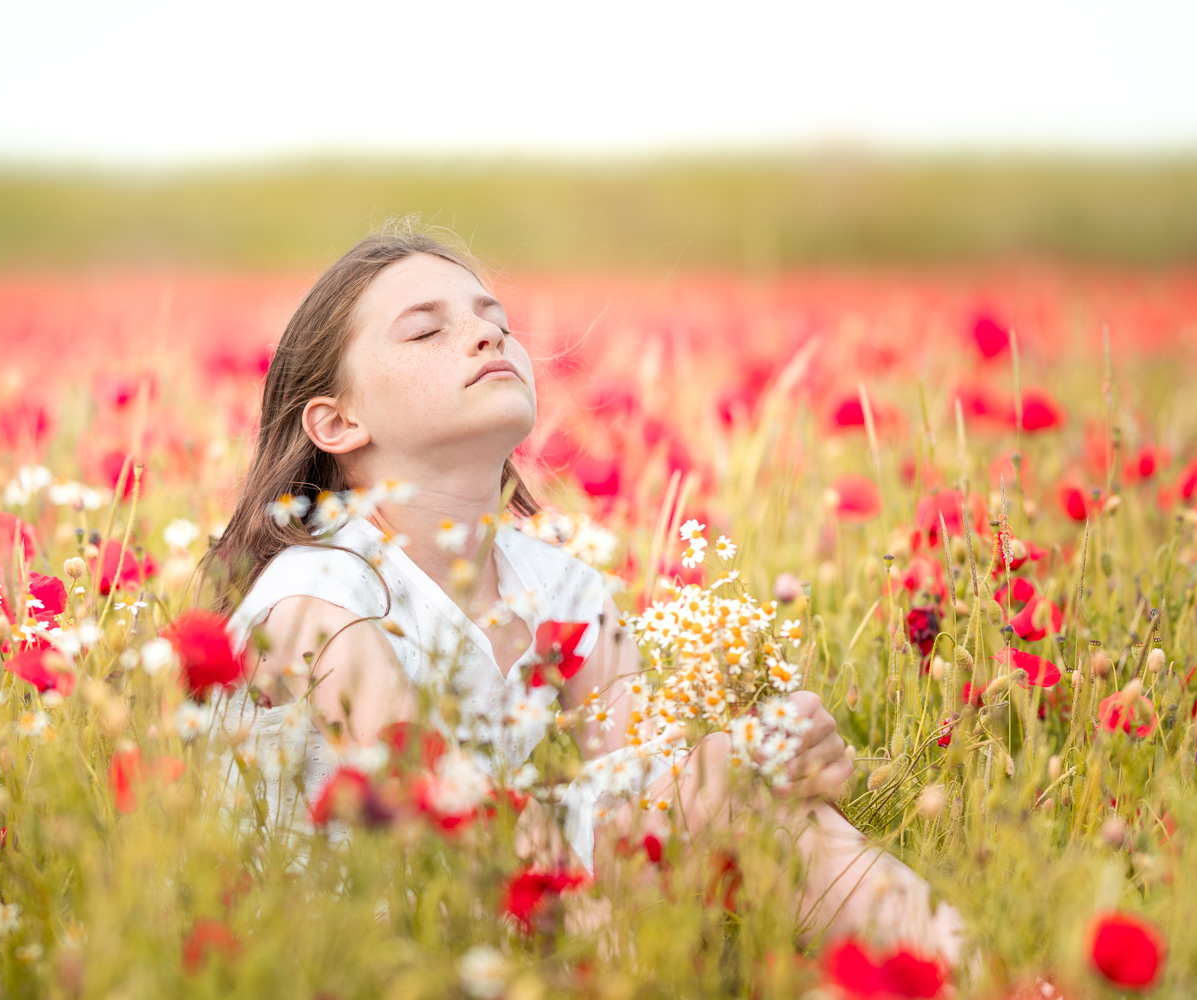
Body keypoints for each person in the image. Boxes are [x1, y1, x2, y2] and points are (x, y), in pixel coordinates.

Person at [203, 223, 964, 961]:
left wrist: (781, 759)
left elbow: (642, 770)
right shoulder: (318, 594)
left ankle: (1000, 983)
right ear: (338, 423)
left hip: (510, 916)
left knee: (767, 809)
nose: (487, 336)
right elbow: (442, 811)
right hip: (353, 952)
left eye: (494, 321)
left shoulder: (562, 584)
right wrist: (713, 777)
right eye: (426, 331)